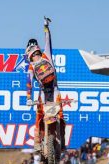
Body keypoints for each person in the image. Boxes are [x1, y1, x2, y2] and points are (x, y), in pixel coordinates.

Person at [25, 17, 66, 154]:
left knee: (41, 115)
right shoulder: (46, 55)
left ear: (29, 54)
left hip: (45, 93)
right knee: (57, 115)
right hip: (54, 91)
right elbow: (48, 40)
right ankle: (60, 141)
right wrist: (46, 26)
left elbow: (28, 83)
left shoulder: (32, 66)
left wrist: (28, 98)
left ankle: (37, 142)